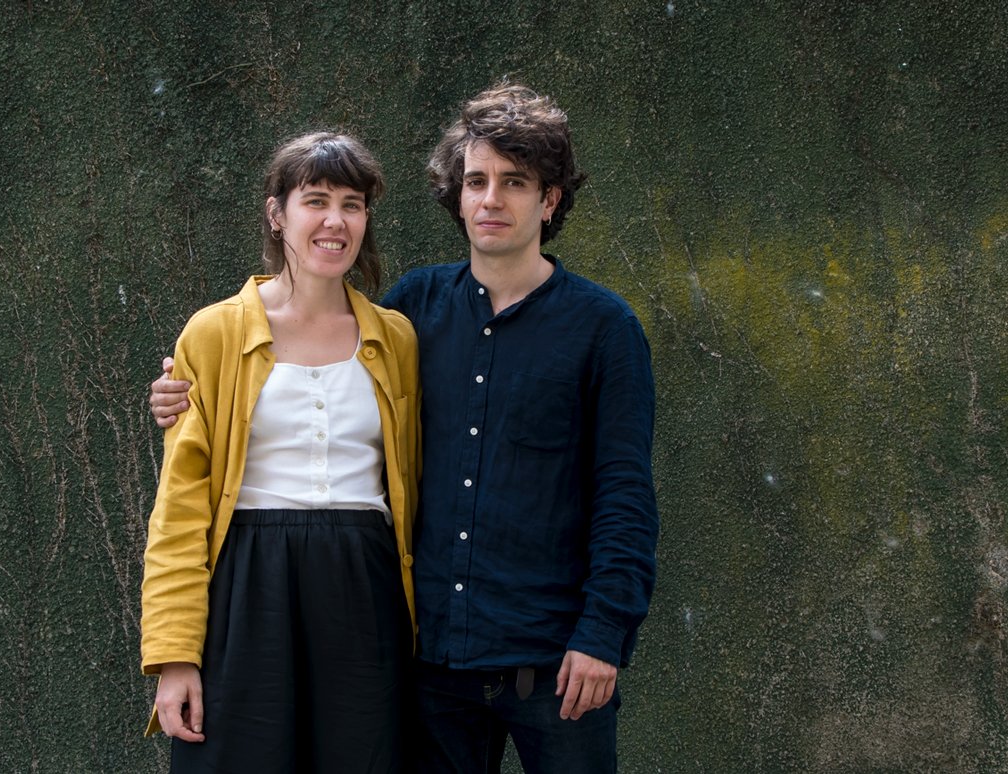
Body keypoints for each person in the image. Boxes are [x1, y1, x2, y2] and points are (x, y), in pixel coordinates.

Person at [151, 84, 658, 774]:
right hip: (427, 663)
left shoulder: (596, 329)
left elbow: (625, 497)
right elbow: (196, 491)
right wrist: (182, 394)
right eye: (476, 181)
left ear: (550, 200)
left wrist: (604, 632)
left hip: (548, 659)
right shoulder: (411, 312)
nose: (491, 199)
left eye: (515, 182)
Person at [140, 132, 420, 774]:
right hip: (247, 586)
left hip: (364, 590)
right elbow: (179, 509)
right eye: (315, 200)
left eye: (352, 204)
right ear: (277, 213)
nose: (335, 221)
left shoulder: (395, 339)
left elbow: (414, 481)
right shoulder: (213, 333)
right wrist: (175, 657)